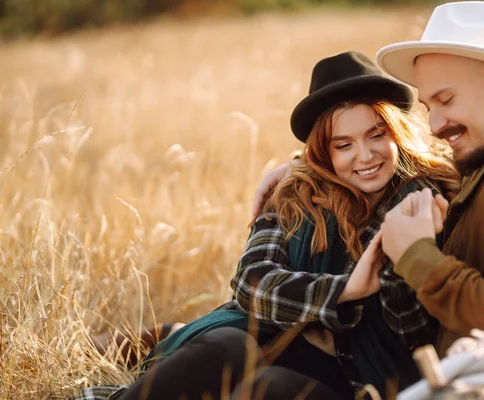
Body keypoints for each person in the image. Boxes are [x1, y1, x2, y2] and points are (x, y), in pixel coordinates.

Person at [71, 51, 460, 400]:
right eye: (343, 145)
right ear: (323, 153)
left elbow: (407, 326)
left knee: (269, 388)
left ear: (397, 134)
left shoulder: (422, 199)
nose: (365, 155)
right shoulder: (296, 194)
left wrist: (401, 259)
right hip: (271, 340)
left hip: (352, 373)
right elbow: (252, 282)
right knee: (222, 347)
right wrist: (346, 289)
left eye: (377, 135)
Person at [255, 1, 484, 360]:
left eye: (446, 99)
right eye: (428, 106)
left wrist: (417, 256)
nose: (435, 125)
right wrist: (306, 167)